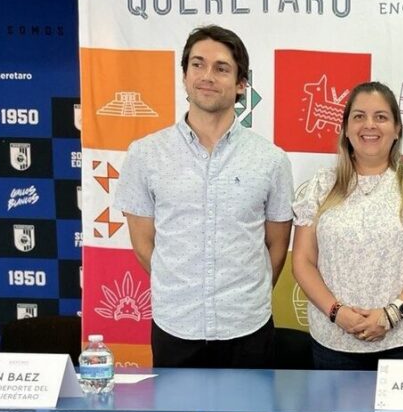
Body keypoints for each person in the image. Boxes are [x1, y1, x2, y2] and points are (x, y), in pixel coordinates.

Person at [116, 25, 293, 369]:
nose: (207, 76)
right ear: (184, 76)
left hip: (248, 328)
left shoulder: (271, 160)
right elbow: (143, 244)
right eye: (197, 65)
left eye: (221, 68)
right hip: (175, 326)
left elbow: (276, 246)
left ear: (242, 84)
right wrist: (182, 286)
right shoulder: (145, 154)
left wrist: (241, 296)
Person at [292, 81, 403, 370]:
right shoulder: (320, 185)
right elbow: (303, 261)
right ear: (344, 128)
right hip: (335, 343)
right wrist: (337, 313)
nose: (370, 125)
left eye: (381, 117)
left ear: (397, 129)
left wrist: (391, 314)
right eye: (359, 116)